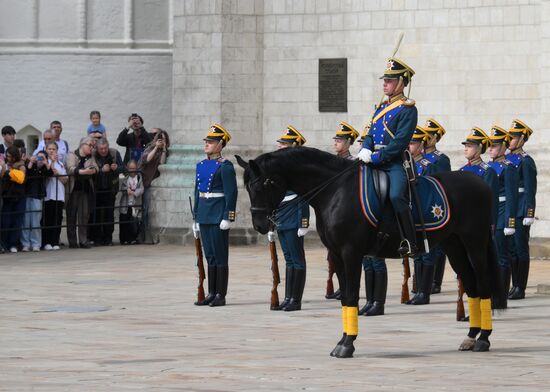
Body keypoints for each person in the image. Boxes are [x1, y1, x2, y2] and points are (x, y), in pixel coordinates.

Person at [357, 57, 418, 257]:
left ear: (401, 83)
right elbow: (370, 135)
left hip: (393, 163)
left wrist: (375, 158)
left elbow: (399, 142)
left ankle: (409, 241)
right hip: (372, 160)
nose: (385, 83)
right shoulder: (381, 108)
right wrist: (365, 148)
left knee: (396, 196)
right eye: (385, 80)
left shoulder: (408, 109)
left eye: (390, 80)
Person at [192, 124, 238, 307]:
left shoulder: (225, 167)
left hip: (218, 214)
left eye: (211, 142)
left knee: (220, 256)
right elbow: (197, 192)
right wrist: (196, 217)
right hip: (204, 214)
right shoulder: (201, 165)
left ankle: (221, 294)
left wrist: (228, 216)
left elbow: (231, 193)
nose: (207, 144)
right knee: (209, 255)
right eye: (206, 141)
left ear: (220, 145)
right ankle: (211, 292)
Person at [267, 126, 310, 312]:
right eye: (280, 143)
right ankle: (288, 297)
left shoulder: (299, 170)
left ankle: (296, 300)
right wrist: (271, 222)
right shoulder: (279, 169)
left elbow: (304, 195)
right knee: (288, 260)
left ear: (293, 148)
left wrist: (304, 222)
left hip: (294, 217)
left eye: (284, 145)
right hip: (282, 217)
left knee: (297, 259)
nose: (279, 147)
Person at [404, 126, 442, 305]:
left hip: (425, 213)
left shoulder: (428, 166)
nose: (410, 146)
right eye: (409, 142)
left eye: (413, 143)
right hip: (411, 214)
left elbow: (433, 193)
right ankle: (418, 289)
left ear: (421, 146)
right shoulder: (406, 165)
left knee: (427, 253)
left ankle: (424, 292)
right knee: (417, 253)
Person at [326, 122, 359, 301]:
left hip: (347, 213)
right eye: (336, 140)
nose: (336, 143)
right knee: (334, 256)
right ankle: (341, 286)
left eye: (340, 141)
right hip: (334, 213)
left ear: (348, 143)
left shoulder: (352, 163)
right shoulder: (332, 163)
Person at [487, 126, 519, 302]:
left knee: (502, 257)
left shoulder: (509, 167)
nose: (491, 149)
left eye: (494, 146)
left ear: (504, 147)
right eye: (490, 146)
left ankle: (501, 295)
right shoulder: (489, 166)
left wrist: (510, 222)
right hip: (489, 215)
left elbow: (512, 196)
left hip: (501, 215)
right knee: (492, 257)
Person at [506, 119, 537, 300]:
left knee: (520, 249)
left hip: (521, 209)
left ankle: (520, 287)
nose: (510, 140)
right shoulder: (507, 160)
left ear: (522, 139)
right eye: (509, 137)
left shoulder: (526, 161)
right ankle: (513, 284)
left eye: (514, 137)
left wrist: (529, 212)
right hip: (509, 208)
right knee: (510, 250)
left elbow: (530, 188)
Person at [65, 137, 98, 248]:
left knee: (84, 216)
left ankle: (83, 241)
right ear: (82, 145)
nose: (91, 148)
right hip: (73, 190)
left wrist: (89, 170)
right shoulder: (72, 154)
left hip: (85, 190)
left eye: (93, 146)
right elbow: (71, 168)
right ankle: (72, 241)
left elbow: (96, 168)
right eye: (90, 145)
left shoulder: (91, 156)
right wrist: (84, 171)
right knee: (71, 216)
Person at [138, 129, 170, 243]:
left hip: (153, 183)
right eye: (160, 139)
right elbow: (147, 159)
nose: (161, 142)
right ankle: (143, 235)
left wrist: (164, 149)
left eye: (164, 140)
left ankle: (148, 236)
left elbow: (162, 163)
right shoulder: (149, 149)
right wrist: (156, 147)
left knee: (149, 210)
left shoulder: (165, 151)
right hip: (145, 183)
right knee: (145, 210)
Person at [90, 138, 123, 246]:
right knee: (97, 214)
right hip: (96, 189)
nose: (103, 151)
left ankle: (108, 238)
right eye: (101, 149)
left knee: (109, 214)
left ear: (108, 146)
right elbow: (90, 168)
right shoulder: (93, 154)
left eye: (105, 148)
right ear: (97, 148)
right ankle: (98, 238)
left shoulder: (114, 153)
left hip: (110, 189)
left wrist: (116, 167)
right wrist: (101, 169)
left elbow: (123, 168)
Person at [21, 150, 53, 252]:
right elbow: (27, 173)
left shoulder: (44, 169)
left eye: (42, 158)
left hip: (38, 196)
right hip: (27, 195)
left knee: (35, 221)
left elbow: (50, 173)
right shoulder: (31, 166)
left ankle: (36, 243)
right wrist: (31, 162)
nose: (39, 160)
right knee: (26, 221)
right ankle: (25, 244)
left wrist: (46, 163)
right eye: (38, 157)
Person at [42, 141, 68, 250]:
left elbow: (65, 180)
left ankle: (55, 241)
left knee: (58, 219)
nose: (52, 151)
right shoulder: (44, 163)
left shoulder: (61, 163)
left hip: (59, 195)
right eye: (50, 149)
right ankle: (47, 242)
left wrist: (58, 174)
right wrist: (51, 164)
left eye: (54, 149)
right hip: (49, 195)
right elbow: (47, 176)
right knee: (48, 219)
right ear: (46, 150)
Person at [1, 145, 26, 252]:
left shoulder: (21, 165)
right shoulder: (5, 165)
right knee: (6, 221)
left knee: (17, 221)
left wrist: (9, 172)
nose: (9, 158)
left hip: (19, 196)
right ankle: (4, 244)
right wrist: (5, 169)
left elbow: (21, 178)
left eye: (11, 156)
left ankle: (13, 244)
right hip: (7, 196)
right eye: (7, 156)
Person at [119, 160, 144, 245]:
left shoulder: (139, 178)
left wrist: (135, 193)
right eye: (130, 168)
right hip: (126, 204)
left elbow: (142, 189)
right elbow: (122, 189)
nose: (132, 170)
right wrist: (126, 190)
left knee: (134, 222)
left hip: (135, 203)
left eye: (134, 168)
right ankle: (123, 239)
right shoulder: (125, 179)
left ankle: (133, 238)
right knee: (124, 221)